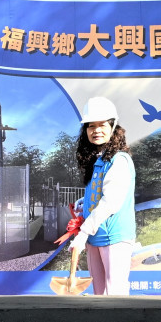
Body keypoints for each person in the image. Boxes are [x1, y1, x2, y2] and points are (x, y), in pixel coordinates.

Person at [55, 97, 136, 295]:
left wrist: (83, 233)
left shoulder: (119, 160)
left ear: (113, 127)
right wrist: (85, 202)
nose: (96, 130)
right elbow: (100, 192)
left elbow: (111, 202)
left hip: (114, 237)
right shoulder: (98, 159)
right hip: (94, 237)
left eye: (102, 125)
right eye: (91, 126)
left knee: (115, 294)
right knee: (99, 294)